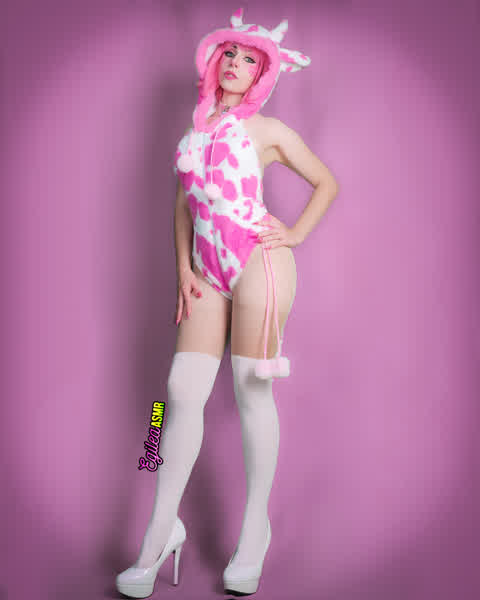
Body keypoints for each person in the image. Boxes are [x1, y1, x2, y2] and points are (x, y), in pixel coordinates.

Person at [116, 7, 338, 598]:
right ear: (214, 63)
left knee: (250, 390)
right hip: (205, 273)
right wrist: (182, 269)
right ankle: (159, 533)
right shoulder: (194, 132)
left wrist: (294, 233)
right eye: (229, 54)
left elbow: (327, 182)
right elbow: (183, 204)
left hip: (259, 263)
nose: (236, 63)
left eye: (249, 59)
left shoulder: (266, 130)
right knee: (175, 396)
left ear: (262, 74)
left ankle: (255, 531)